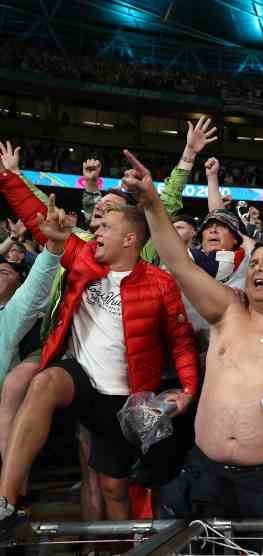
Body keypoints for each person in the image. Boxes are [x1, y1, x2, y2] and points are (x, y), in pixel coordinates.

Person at [119, 150, 263, 519]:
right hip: (204, 472)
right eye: (254, 262)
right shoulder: (227, 309)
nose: (258, 267)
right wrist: (150, 203)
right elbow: (177, 261)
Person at [0, 187, 199, 534]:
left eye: (106, 227)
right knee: (43, 383)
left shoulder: (161, 284)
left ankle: (126, 546)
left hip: (124, 403)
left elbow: (182, 343)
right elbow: (40, 220)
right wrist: (6, 177)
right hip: (80, 384)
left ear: (130, 239)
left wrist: (187, 389)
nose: (98, 231)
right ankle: (6, 502)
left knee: (115, 490)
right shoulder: (83, 257)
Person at [0, 195, 67, 384]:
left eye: (6, 273)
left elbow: (35, 287)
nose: (1, 272)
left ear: (19, 287)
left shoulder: (9, 317)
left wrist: (54, 245)